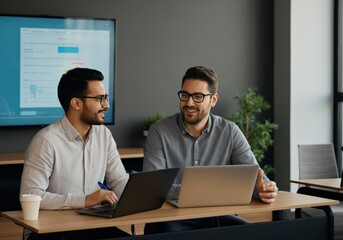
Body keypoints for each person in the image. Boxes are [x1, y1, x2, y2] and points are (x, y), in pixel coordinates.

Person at [143, 66, 278, 234]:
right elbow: (152, 189)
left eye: (198, 96)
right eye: (185, 95)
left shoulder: (230, 131)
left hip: (217, 217)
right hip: (171, 219)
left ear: (213, 99)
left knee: (257, 233)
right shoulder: (159, 132)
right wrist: (207, 191)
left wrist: (263, 189)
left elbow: (256, 178)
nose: (189, 103)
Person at [20, 68, 130, 239]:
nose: (106, 105)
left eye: (105, 98)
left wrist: (140, 195)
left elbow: (119, 180)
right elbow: (31, 195)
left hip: (91, 226)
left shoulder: (104, 135)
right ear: (76, 103)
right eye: (100, 99)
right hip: (52, 231)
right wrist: (84, 200)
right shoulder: (46, 141)